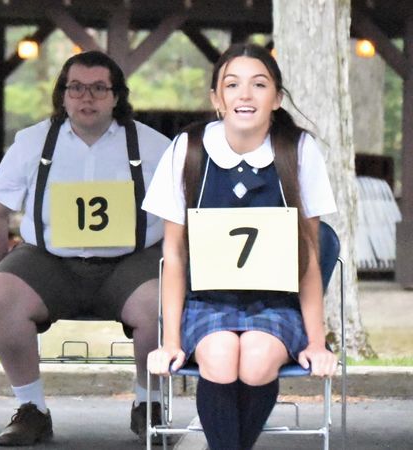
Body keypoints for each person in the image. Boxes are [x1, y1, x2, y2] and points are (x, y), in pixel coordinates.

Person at [143, 43, 340, 450]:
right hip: (206, 301)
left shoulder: (298, 150)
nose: (245, 95)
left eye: (259, 84)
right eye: (232, 85)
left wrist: (317, 342)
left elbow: (309, 256)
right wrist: (172, 341)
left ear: (277, 98)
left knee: (254, 359)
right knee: (218, 355)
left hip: (276, 302)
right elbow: (174, 256)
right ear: (217, 98)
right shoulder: (188, 149)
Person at [0, 50, 171, 446]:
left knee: (162, 299)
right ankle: (31, 410)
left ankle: (148, 405)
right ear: (62, 95)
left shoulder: (155, 147)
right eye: (77, 88)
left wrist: (170, 264)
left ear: (117, 96)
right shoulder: (32, 142)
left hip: (131, 263)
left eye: (99, 88)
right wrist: (0, 273)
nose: (87, 97)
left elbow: (180, 217)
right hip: (50, 262)